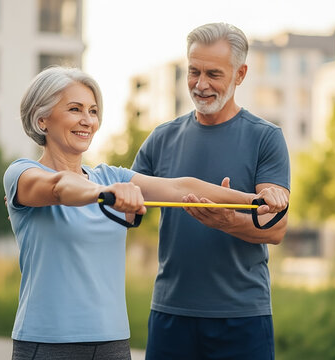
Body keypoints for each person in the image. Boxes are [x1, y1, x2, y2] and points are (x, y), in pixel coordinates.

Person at [3, 66, 288, 360]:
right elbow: (59, 187)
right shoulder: (22, 173)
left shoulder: (109, 176)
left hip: (112, 343)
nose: (87, 120)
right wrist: (104, 195)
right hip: (47, 342)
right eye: (75, 109)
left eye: (92, 111)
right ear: (41, 119)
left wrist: (255, 200)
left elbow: (181, 187)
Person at [132, 23, 291, 360]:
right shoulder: (161, 138)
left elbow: (275, 228)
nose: (200, 85)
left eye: (213, 74)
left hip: (242, 318)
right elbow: (123, 206)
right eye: (194, 71)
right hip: (171, 315)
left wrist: (227, 222)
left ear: (240, 74)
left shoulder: (266, 137)